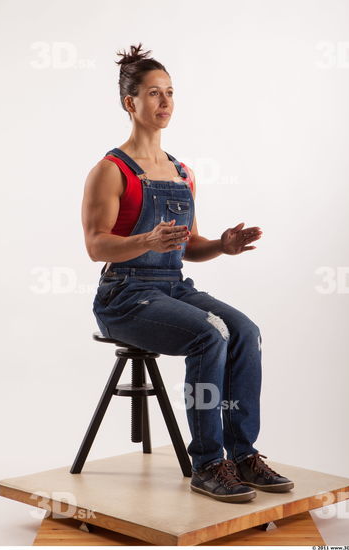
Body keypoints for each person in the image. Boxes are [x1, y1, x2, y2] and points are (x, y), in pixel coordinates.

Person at [81, 42, 294, 503]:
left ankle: (242, 454)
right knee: (209, 336)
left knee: (246, 332)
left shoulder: (182, 172)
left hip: (174, 287)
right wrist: (143, 241)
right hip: (124, 296)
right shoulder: (110, 170)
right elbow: (96, 244)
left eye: (170, 93)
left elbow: (188, 246)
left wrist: (221, 245)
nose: (165, 103)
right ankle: (208, 464)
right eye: (154, 94)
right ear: (129, 103)